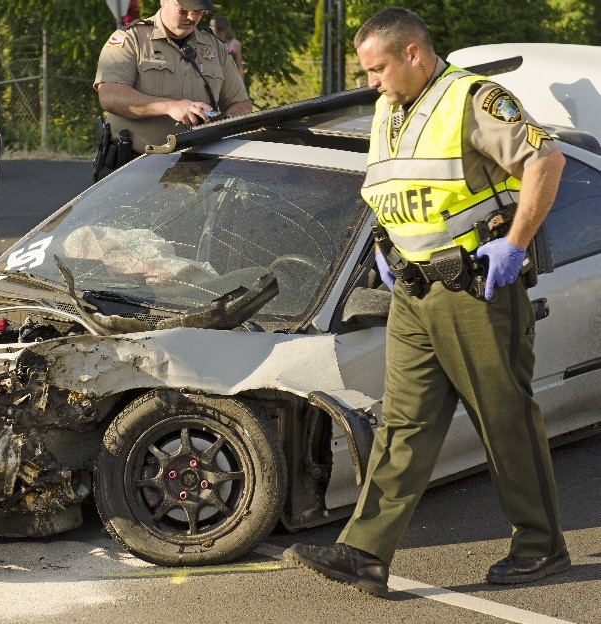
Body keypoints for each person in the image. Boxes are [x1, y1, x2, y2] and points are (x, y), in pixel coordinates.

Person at [284, 7, 569, 598]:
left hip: (476, 289)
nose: (371, 82)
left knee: (503, 417)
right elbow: (398, 192)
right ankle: (365, 553)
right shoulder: (390, 108)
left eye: (378, 68)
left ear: (414, 53)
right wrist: (387, 251)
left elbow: (546, 160)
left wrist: (513, 247)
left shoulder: (474, 99)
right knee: (403, 423)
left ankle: (541, 547)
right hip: (412, 292)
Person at [93, 0, 251, 178]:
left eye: (199, 11)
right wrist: (169, 107)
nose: (191, 17)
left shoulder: (217, 48)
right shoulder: (131, 39)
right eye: (183, 9)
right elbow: (110, 95)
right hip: (133, 171)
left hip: (197, 173)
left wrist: (224, 122)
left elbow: (241, 104)